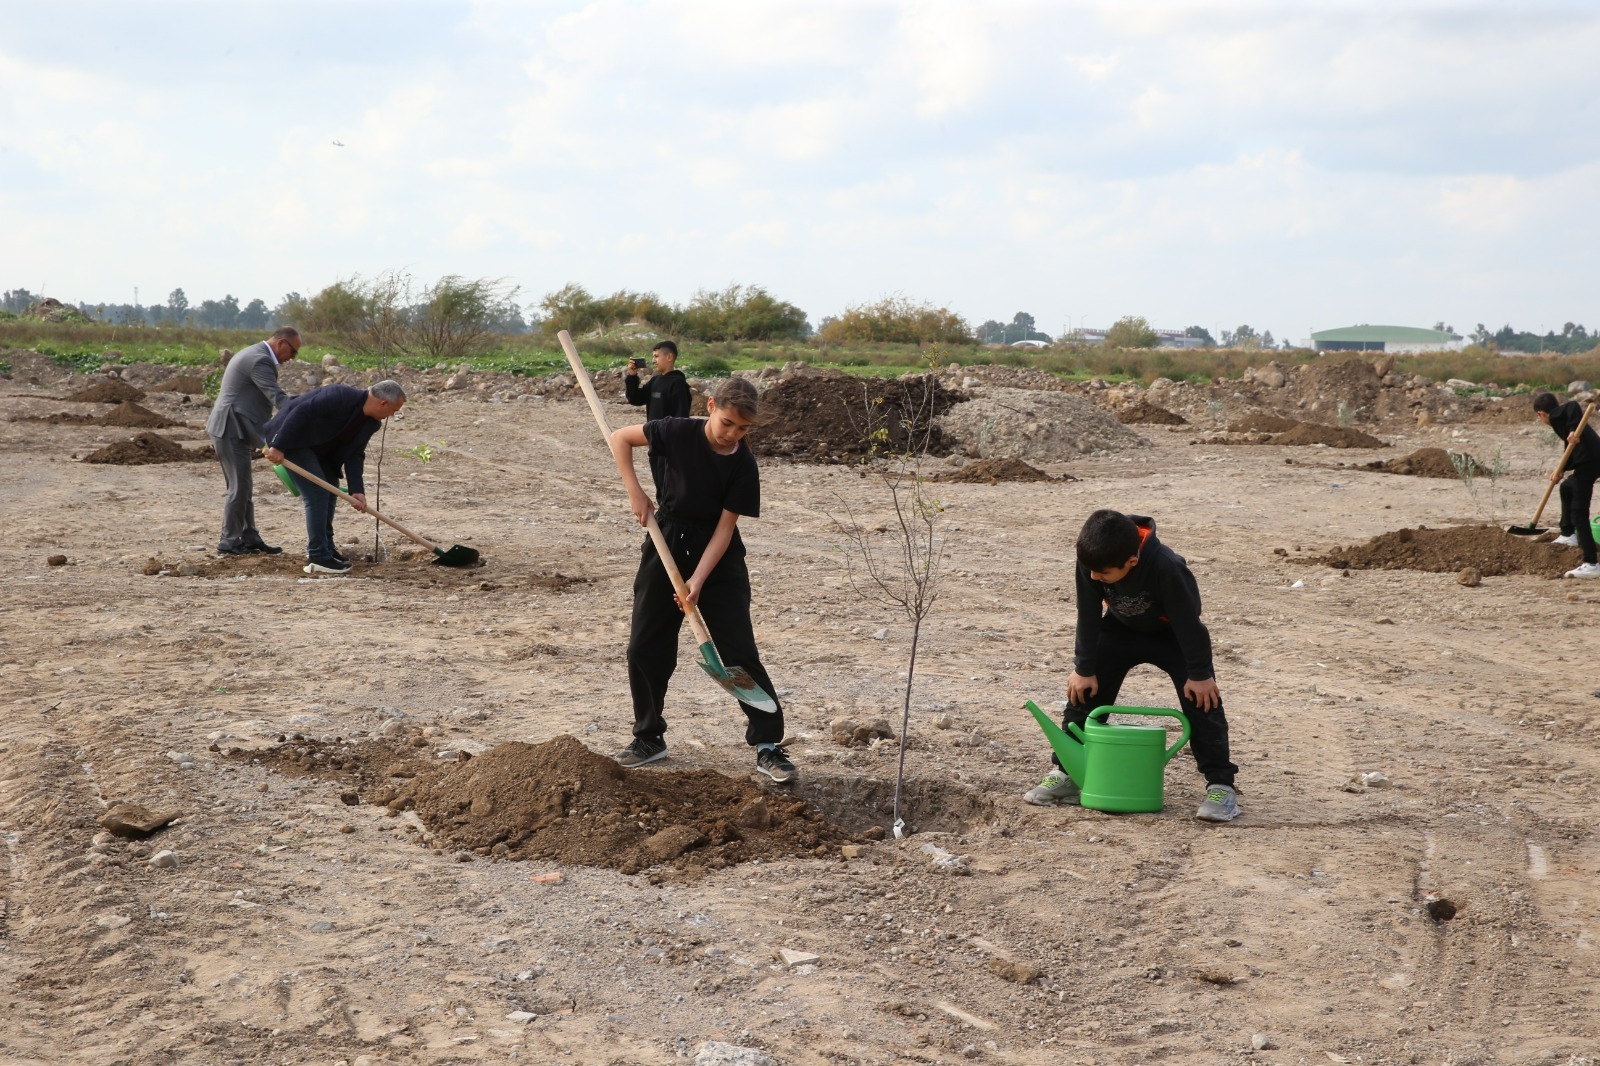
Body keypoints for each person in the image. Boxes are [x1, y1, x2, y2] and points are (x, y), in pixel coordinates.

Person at [607, 376, 792, 782]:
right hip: (666, 538)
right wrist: (635, 492)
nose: (733, 434)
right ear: (710, 406)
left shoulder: (743, 465)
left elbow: (725, 530)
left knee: (738, 650)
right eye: (727, 423)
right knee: (645, 645)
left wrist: (697, 581)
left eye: (743, 428)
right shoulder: (674, 430)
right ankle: (649, 738)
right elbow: (620, 437)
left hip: (718, 557)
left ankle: (767, 745)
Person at [1024, 509, 1241, 822]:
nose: (1095, 578)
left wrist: (1200, 674)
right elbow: (1088, 614)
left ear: (1132, 562)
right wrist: (1084, 667)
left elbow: (1190, 625)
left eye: (1104, 574)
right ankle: (1068, 773)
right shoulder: (1093, 561)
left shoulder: (1167, 568)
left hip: (1173, 635)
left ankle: (1221, 786)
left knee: (1203, 699)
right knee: (1084, 689)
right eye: (1091, 571)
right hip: (1120, 630)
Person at [261, 380, 406, 575]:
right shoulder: (340, 395)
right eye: (394, 410)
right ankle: (318, 556)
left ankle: (327, 548)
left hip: (321, 452)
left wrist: (357, 490)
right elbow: (301, 412)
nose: (392, 415)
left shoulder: (371, 423)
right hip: (293, 440)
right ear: (383, 403)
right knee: (317, 493)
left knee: (331, 489)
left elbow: (355, 454)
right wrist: (279, 445)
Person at [205, 327, 299, 554]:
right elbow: (275, 396)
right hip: (230, 427)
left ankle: (248, 536)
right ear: (281, 344)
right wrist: (302, 411)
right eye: (293, 352)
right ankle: (229, 541)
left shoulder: (254, 353)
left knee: (243, 486)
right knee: (239, 487)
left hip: (234, 427)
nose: (292, 359)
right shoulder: (260, 360)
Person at [1533, 391, 1599, 579]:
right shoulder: (1561, 421)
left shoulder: (1558, 415)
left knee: (1579, 512)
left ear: (1541, 414)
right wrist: (1561, 469)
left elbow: (1572, 406)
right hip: (1590, 460)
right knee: (1566, 487)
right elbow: (1570, 449)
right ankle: (1568, 533)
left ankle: (1591, 563)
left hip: (1589, 463)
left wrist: (1571, 430)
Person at [624, 340, 693, 491]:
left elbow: (681, 418)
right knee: (659, 484)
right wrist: (632, 376)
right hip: (654, 442)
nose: (653, 360)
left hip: (670, 446)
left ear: (669, 357)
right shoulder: (655, 380)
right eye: (653, 357)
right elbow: (635, 398)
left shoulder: (678, 384)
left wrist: (676, 445)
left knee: (670, 485)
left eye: (656, 356)